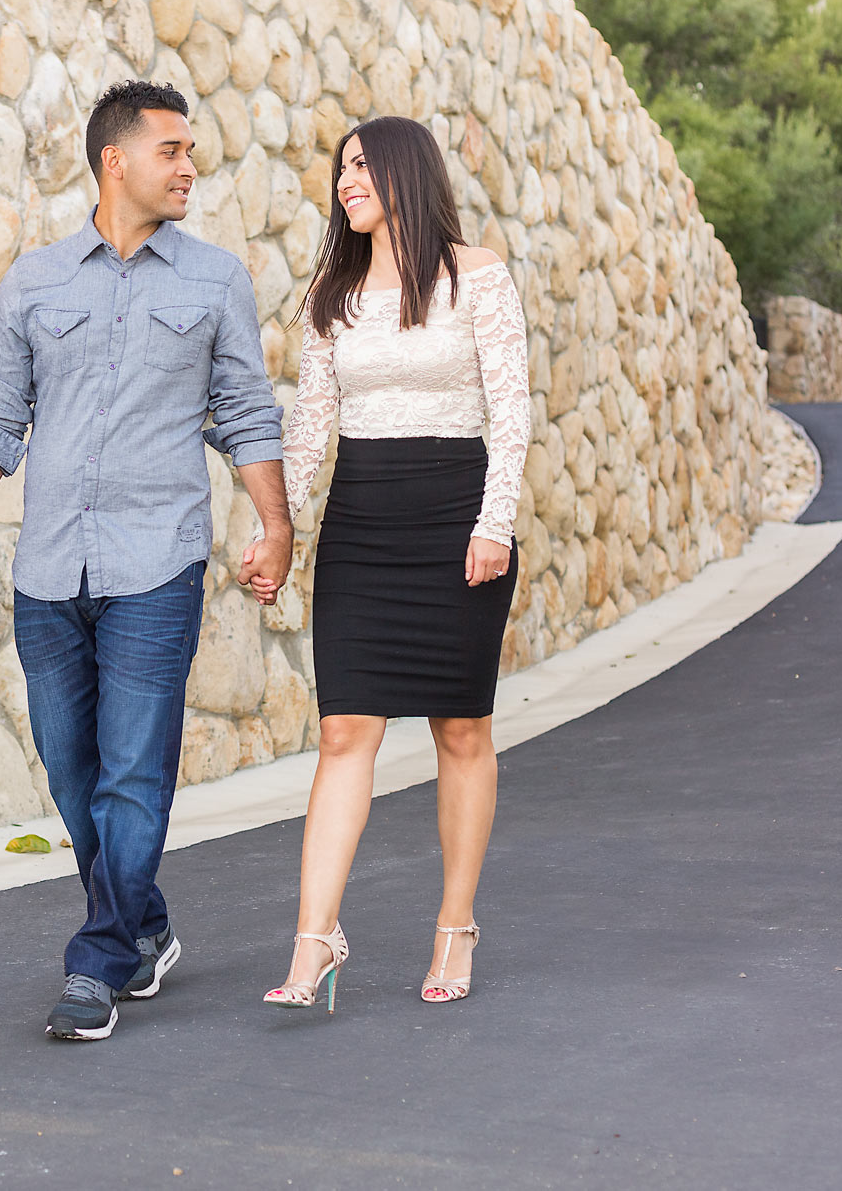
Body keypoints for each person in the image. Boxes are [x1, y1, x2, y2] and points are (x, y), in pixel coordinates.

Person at [0, 80, 294, 1042]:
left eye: (190, 152)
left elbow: (248, 414)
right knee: (73, 774)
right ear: (115, 161)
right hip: (49, 570)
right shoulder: (36, 281)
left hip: (155, 567)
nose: (189, 168)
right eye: (172, 151)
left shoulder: (214, 280)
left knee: (133, 776)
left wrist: (276, 524)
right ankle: (147, 926)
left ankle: (95, 963)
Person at [255, 115, 531, 1012]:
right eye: (341, 168)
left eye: (363, 165)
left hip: (458, 516)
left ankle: (456, 923)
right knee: (344, 732)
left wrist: (494, 522)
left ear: (409, 170)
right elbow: (309, 423)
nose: (346, 181)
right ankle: (314, 940)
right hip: (364, 523)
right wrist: (282, 526)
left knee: (461, 730)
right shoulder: (333, 292)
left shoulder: (478, 275)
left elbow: (511, 409)